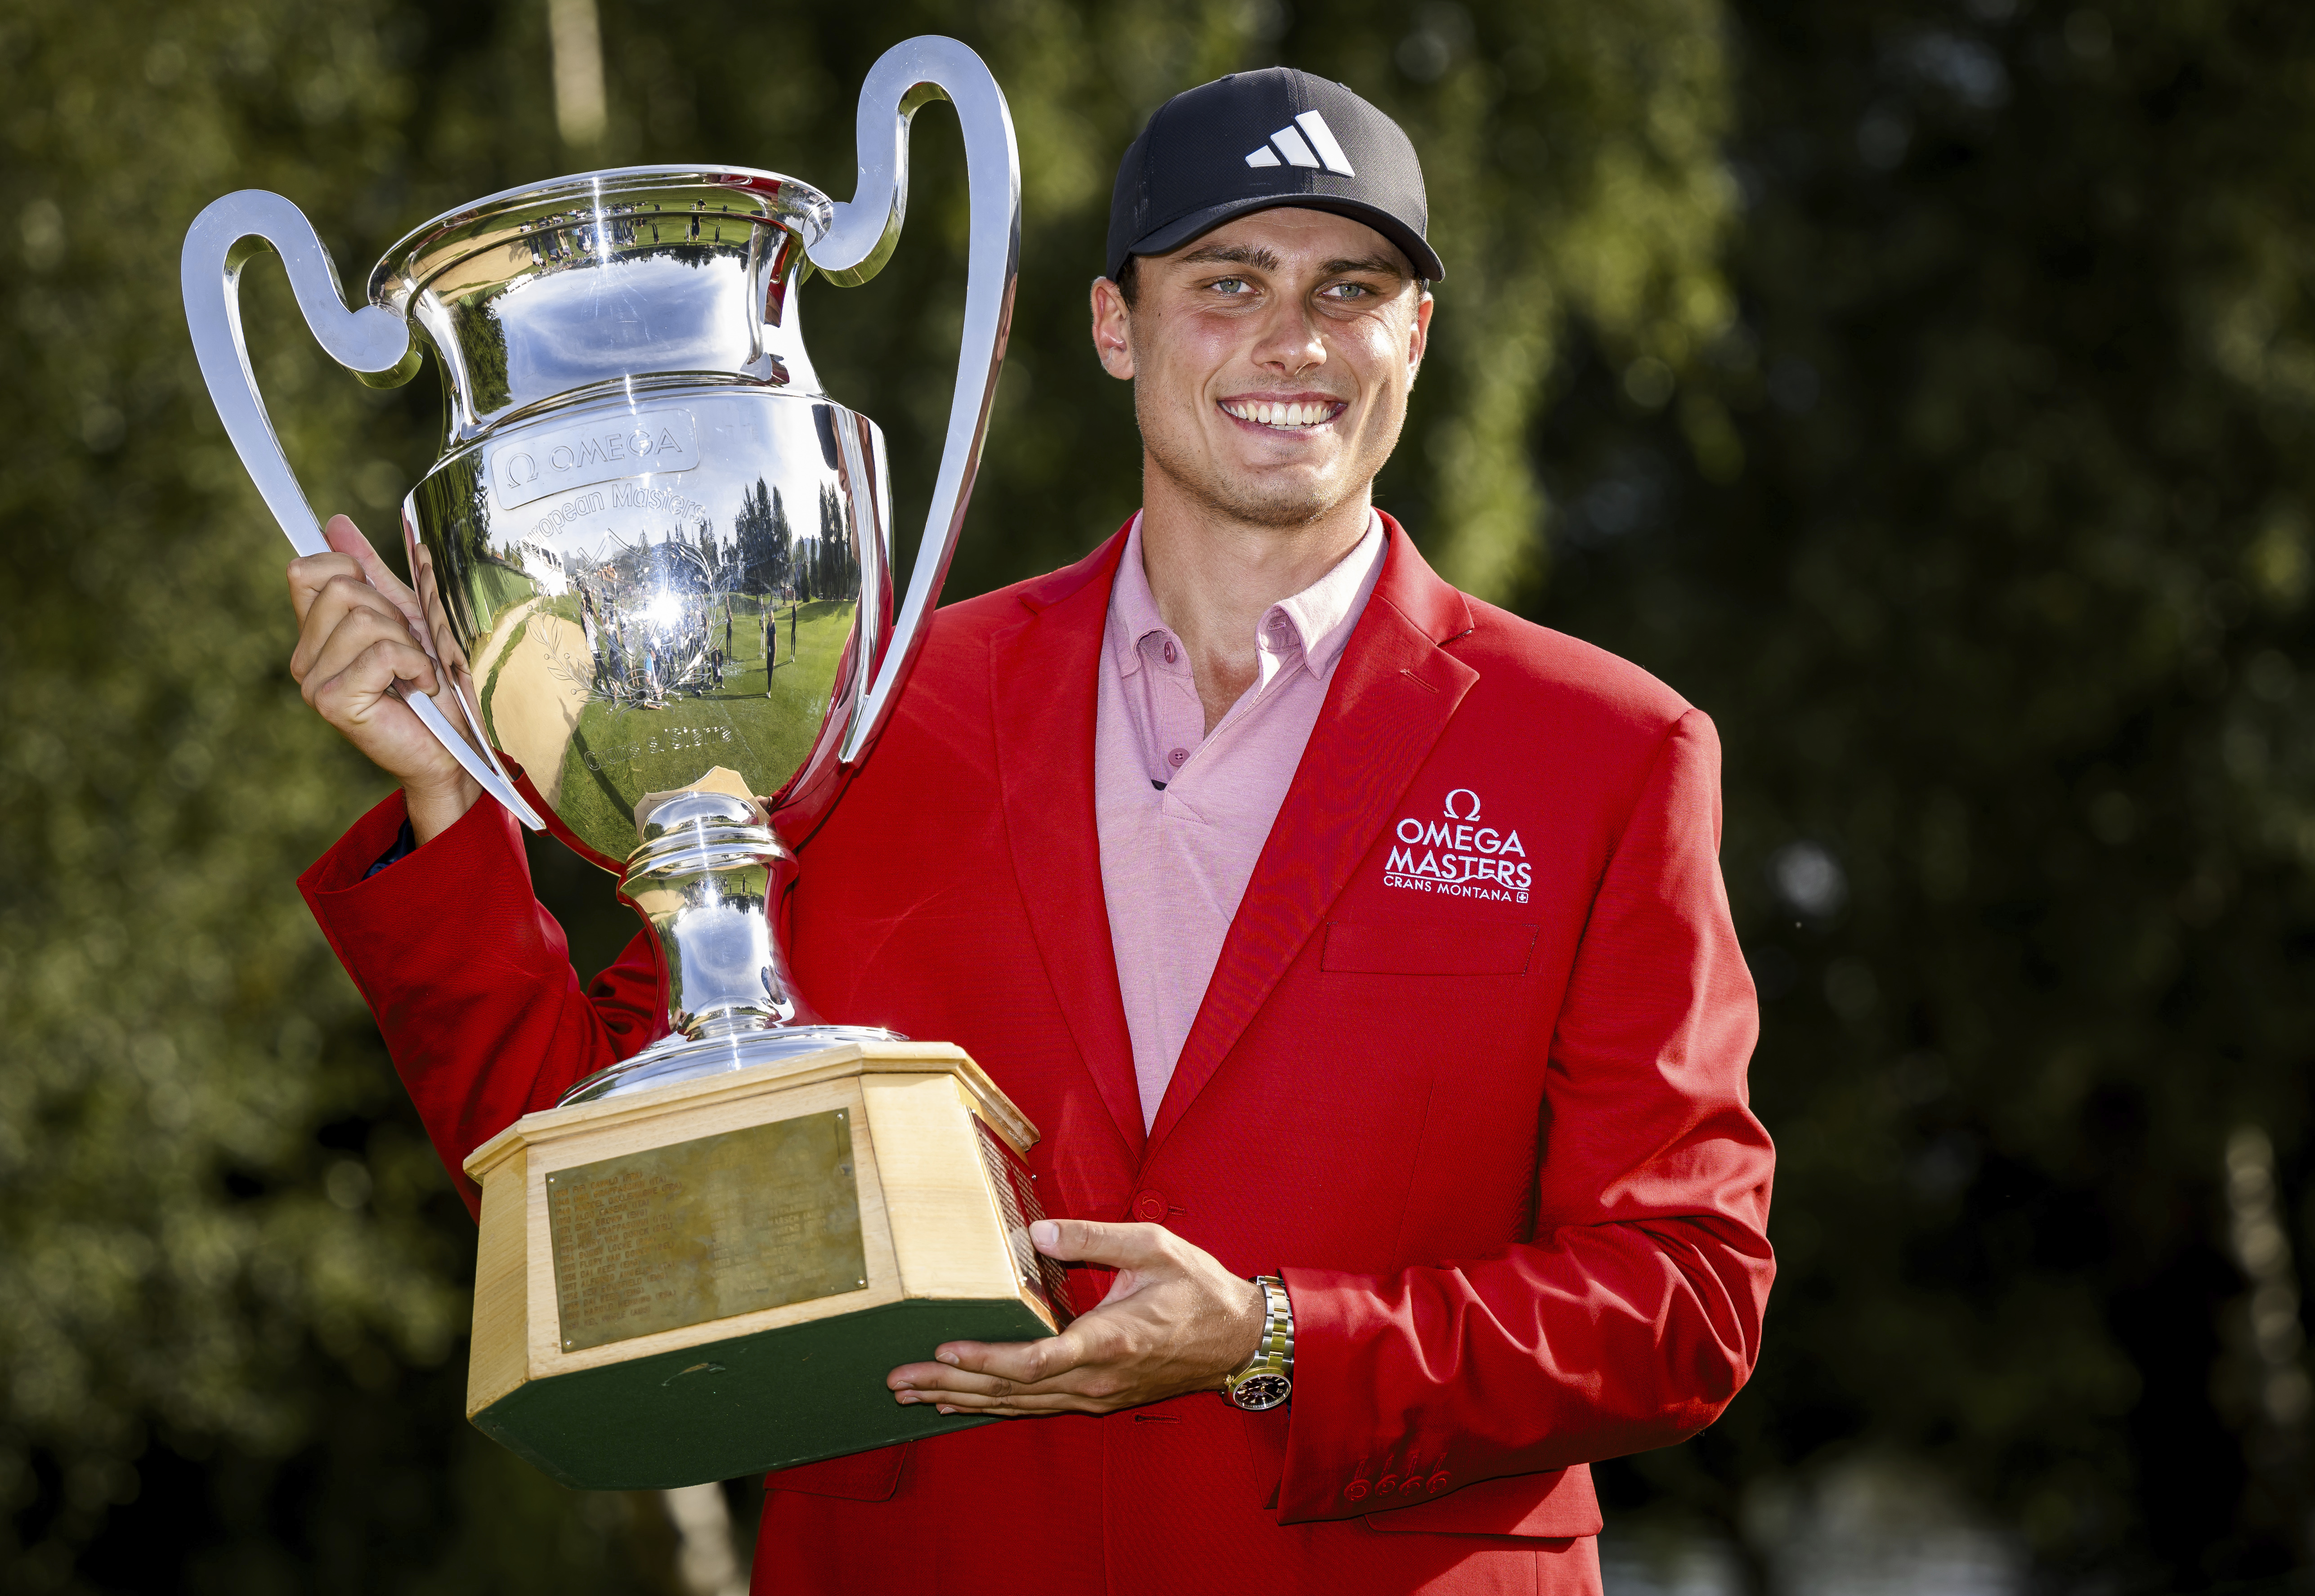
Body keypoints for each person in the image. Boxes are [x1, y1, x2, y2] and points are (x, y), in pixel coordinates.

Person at [282, 68, 1771, 1596]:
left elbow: (1685, 1297)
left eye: (1353, 287)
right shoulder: (869, 710)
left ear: (1416, 337)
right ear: (1115, 325)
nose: (1295, 339)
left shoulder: (1606, 750)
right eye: (1227, 282)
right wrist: (447, 799)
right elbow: (590, 1166)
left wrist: (1273, 1341)